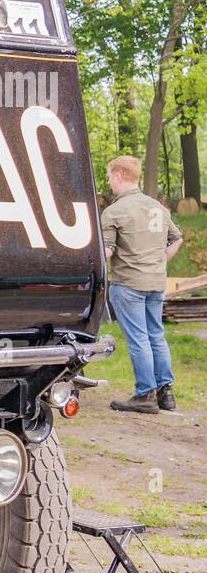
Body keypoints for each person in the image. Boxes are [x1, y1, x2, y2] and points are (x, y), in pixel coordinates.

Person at [101, 155, 183, 413]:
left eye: (109, 178)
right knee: (156, 335)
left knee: (139, 339)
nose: (109, 183)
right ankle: (166, 393)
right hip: (155, 282)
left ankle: (145, 394)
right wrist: (161, 262)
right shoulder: (158, 207)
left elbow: (106, 252)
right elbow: (177, 238)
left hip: (128, 284)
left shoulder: (114, 211)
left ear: (118, 176)